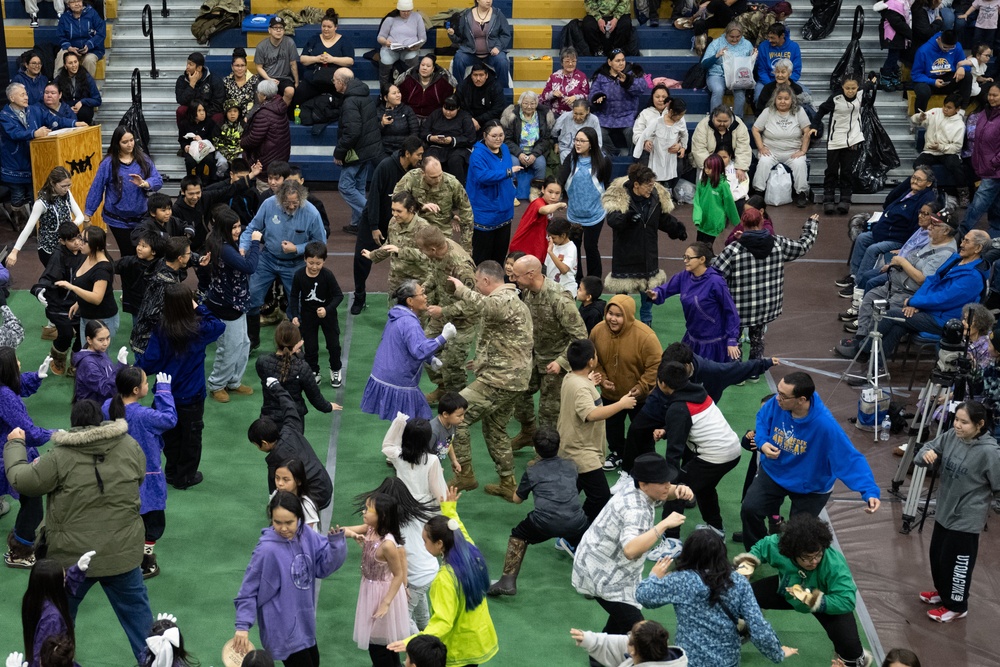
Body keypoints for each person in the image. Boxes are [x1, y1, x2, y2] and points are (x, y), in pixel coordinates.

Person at [4, 400, 153, 661]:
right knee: (145, 633)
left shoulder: (60, 456)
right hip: (122, 553)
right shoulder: (130, 446)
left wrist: (15, 444)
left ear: (73, 424)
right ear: (101, 420)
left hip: (70, 561)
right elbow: (139, 477)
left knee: (54, 628)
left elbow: (23, 480)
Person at [739, 372, 881, 550]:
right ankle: (757, 552)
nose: (777, 398)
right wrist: (763, 442)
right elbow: (762, 418)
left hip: (811, 486)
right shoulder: (777, 404)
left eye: (783, 395)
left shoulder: (825, 426)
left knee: (798, 534)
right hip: (775, 472)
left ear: (801, 399)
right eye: (778, 392)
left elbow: (850, 459)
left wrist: (869, 491)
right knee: (750, 509)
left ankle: (791, 568)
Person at [571, 453, 692, 638]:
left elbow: (667, 490)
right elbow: (630, 550)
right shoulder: (636, 510)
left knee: (620, 623)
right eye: (662, 482)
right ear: (643, 484)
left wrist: (680, 490)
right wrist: (664, 525)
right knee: (643, 632)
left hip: (607, 565)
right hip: (604, 575)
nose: (667, 485)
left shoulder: (635, 485)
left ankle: (600, 656)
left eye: (668, 480)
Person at [635, 530, 793, 667]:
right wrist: (777, 653)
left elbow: (644, 596)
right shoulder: (738, 582)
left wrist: (654, 576)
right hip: (726, 660)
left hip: (690, 659)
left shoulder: (680, 580)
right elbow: (758, 627)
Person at [737, 513, 872, 667]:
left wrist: (810, 599)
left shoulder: (834, 564)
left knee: (853, 656)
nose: (814, 562)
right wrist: (747, 565)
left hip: (827, 600)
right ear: (792, 553)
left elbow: (846, 600)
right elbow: (761, 547)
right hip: (789, 589)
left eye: (818, 555)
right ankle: (744, 630)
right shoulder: (781, 546)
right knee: (739, 597)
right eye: (807, 558)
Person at [232, 492, 348, 666]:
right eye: (277, 522)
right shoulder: (266, 551)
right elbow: (248, 590)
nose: (283, 528)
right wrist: (242, 625)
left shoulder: (306, 534)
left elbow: (323, 567)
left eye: (289, 522)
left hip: (304, 624)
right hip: (283, 630)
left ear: (299, 518)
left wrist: (336, 546)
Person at [447, 261, 533, 494]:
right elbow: (506, 340)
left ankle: (465, 475)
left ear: (485, 281)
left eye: (476, 282)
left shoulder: (503, 300)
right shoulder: (512, 300)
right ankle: (508, 483)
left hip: (501, 379)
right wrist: (483, 360)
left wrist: (461, 290)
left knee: (457, 416)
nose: (475, 285)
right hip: (508, 377)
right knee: (495, 429)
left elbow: (487, 308)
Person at [386, 489, 499, 666]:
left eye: (425, 541)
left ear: (440, 544)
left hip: (458, 648)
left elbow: (443, 622)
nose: (423, 545)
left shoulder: (445, 579)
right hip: (478, 640)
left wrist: (411, 642)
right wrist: (449, 510)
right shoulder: (470, 552)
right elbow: (458, 529)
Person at [914, 400, 1000, 622]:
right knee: (938, 557)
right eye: (956, 420)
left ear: (980, 424)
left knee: (958, 564)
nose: (958, 425)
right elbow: (926, 448)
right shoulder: (952, 436)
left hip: (966, 518)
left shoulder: (991, 453)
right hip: (945, 511)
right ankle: (944, 594)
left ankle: (957, 605)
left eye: (964, 422)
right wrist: (926, 455)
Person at [136, 284, 225, 490]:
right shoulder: (199, 328)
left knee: (169, 434)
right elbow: (219, 325)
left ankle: (171, 471)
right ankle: (185, 477)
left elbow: (150, 361)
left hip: (165, 394)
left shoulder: (161, 328)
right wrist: (199, 307)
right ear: (188, 304)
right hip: (191, 395)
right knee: (191, 437)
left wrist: (134, 368)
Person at [836, 210, 956, 356]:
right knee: (870, 297)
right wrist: (897, 264)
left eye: (935, 225)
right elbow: (914, 258)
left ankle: (864, 350)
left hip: (909, 293)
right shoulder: (933, 242)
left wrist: (902, 262)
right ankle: (861, 338)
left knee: (885, 315)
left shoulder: (944, 253)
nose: (929, 227)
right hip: (897, 284)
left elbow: (922, 279)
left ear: (946, 231)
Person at [488, 427, 588, 596]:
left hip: (544, 523)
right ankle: (589, 585)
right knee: (585, 540)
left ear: (535, 447)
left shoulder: (532, 470)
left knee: (518, 535)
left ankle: (507, 581)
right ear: (559, 444)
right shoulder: (572, 465)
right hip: (575, 521)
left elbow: (517, 499)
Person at [651, 362, 743, 538]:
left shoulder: (678, 409)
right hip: (732, 449)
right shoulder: (698, 392)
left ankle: (671, 540)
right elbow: (691, 421)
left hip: (715, 456)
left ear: (662, 383)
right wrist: (667, 430)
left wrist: (671, 480)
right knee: (704, 487)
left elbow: (674, 452)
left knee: (677, 491)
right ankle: (716, 529)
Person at [713, 211, 818, 360]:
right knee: (757, 339)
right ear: (762, 221)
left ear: (742, 224)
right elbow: (803, 246)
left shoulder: (734, 250)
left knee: (734, 338)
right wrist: (811, 226)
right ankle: (755, 370)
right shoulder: (778, 243)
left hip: (738, 308)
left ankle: (737, 372)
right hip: (766, 307)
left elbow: (714, 275)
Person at [104, 367, 176, 579]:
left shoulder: (107, 406)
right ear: (136, 390)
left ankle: (119, 555)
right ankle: (145, 561)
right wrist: (163, 392)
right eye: (146, 383)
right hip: (146, 476)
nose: (148, 385)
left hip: (116, 475)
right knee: (152, 521)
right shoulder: (144, 415)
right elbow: (169, 420)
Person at [239, 179, 327, 349]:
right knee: (252, 295)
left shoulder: (311, 213)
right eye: (287, 203)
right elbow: (252, 228)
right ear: (279, 199)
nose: (292, 206)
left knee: (299, 304)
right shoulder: (268, 205)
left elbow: (320, 244)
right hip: (268, 258)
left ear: (301, 199)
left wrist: (298, 248)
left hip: (295, 263)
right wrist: (243, 247)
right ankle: (252, 340)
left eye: (295, 203)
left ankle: (295, 343)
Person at [509, 254, 589, 441]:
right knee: (518, 391)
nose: (513, 280)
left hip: (556, 362)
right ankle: (528, 432)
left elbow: (580, 336)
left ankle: (547, 450)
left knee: (549, 411)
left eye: (517, 276)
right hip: (535, 358)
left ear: (530, 274)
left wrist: (561, 362)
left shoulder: (559, 299)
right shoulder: (528, 292)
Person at [559, 338, 638, 522]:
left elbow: (581, 390)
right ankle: (574, 535)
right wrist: (621, 404)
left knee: (571, 493)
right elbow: (592, 414)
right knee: (600, 496)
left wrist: (589, 382)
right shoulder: (581, 388)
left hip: (573, 446)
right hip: (582, 452)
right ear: (591, 362)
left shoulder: (571, 377)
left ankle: (566, 528)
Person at [603, 164, 685, 327]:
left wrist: (677, 228)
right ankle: (619, 324)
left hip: (648, 255)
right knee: (621, 299)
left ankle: (646, 325)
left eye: (653, 184)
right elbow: (612, 221)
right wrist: (626, 218)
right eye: (648, 185)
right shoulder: (619, 197)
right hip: (625, 256)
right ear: (636, 185)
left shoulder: (655, 197)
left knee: (647, 298)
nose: (651, 188)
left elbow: (663, 219)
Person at [361, 281, 455, 421]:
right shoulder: (409, 322)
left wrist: (430, 359)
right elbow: (418, 350)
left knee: (403, 425)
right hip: (399, 381)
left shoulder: (396, 315)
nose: (426, 297)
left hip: (384, 375)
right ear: (410, 301)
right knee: (417, 423)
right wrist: (443, 337)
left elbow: (409, 345)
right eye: (422, 294)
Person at [589, 295, 661, 473]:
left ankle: (645, 460)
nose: (612, 319)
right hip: (610, 395)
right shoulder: (597, 331)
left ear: (628, 316)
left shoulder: (646, 336)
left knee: (643, 433)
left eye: (618, 315)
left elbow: (656, 365)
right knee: (612, 430)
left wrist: (642, 386)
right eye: (610, 313)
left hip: (640, 398)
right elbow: (594, 359)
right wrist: (602, 379)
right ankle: (618, 453)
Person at [339, 493, 411, 666]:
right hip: (370, 590)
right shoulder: (369, 529)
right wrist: (353, 535)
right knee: (384, 645)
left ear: (382, 516)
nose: (363, 511)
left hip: (383, 594)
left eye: (367, 509)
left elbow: (398, 574)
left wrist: (385, 603)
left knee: (378, 645)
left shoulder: (387, 545)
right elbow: (341, 530)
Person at [0, 348, 54, 568]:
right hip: (9, 454)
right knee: (32, 501)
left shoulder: (4, 389)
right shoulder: (4, 396)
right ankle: (19, 552)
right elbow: (28, 432)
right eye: (16, 362)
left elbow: (16, 385)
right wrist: (53, 433)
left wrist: (36, 377)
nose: (20, 363)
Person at [1, 83, 81, 228]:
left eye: (26, 94)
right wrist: (34, 133)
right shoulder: (4, 115)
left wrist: (74, 123)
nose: (26, 97)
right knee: (18, 197)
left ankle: (37, 226)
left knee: (35, 196)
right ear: (12, 98)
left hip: (34, 162)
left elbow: (54, 121)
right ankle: (18, 220)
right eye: (22, 95)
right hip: (15, 165)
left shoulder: (34, 110)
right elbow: (14, 134)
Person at [415, 226, 479, 402]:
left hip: (462, 322)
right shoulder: (440, 250)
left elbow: (473, 303)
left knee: (452, 365)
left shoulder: (460, 266)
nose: (421, 253)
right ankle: (443, 388)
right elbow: (435, 275)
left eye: (422, 249)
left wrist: (443, 310)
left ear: (433, 249)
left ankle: (457, 402)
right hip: (442, 314)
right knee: (424, 348)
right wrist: (425, 287)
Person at [649, 241, 741, 362]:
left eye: (689, 258)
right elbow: (666, 289)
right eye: (684, 257)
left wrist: (732, 340)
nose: (685, 261)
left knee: (710, 378)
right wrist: (656, 293)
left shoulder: (716, 282)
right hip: (692, 339)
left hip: (713, 344)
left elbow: (731, 311)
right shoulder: (684, 276)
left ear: (702, 259)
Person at [249, 380, 334, 511]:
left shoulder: (277, 461)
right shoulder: (290, 427)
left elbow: (275, 489)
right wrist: (276, 386)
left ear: (264, 443)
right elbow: (289, 405)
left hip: (315, 499)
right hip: (325, 484)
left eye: (256, 445)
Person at [204, 207, 260, 403]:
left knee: (243, 344)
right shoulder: (225, 248)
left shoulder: (223, 241)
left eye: (238, 226)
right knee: (229, 347)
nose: (238, 230)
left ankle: (233, 381)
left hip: (237, 302)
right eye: (234, 227)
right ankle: (217, 384)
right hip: (227, 306)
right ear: (224, 228)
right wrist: (255, 242)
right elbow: (249, 267)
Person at [85, 125, 163, 256]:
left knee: (143, 253)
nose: (129, 144)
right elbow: (97, 188)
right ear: (117, 143)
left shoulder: (143, 159)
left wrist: (145, 183)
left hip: (141, 217)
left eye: (131, 140)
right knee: (127, 254)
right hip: (117, 219)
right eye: (124, 142)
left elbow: (158, 180)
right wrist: (88, 213)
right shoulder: (108, 163)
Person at [810, 74, 871, 216]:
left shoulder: (861, 93)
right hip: (835, 138)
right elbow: (821, 111)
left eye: (853, 88)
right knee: (831, 170)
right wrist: (814, 125)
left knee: (847, 170)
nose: (850, 91)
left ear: (858, 87)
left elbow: (869, 85)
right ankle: (828, 198)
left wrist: (872, 80)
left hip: (853, 138)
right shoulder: (835, 99)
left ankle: (845, 199)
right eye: (847, 88)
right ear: (842, 87)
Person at [256, 321, 338, 427]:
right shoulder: (302, 368)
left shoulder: (262, 362)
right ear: (296, 345)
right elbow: (315, 397)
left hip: (268, 420)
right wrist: (328, 406)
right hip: (293, 421)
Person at [558, 126, 613, 278]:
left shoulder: (603, 161)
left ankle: (594, 280)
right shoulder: (571, 159)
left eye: (582, 141)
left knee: (590, 246)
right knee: (574, 248)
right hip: (574, 214)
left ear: (591, 143)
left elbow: (606, 182)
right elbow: (561, 178)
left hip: (595, 213)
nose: (578, 143)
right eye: (576, 140)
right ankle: (577, 280)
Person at [20, 554, 93, 667]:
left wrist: (77, 570)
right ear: (55, 585)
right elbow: (44, 656)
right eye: (64, 578)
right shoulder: (52, 619)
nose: (66, 580)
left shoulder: (33, 598)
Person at [129, 236, 197, 357]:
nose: (191, 255)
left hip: (150, 337)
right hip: (148, 341)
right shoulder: (165, 283)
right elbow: (153, 314)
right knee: (144, 373)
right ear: (180, 258)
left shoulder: (164, 262)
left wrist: (200, 259)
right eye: (188, 253)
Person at [393, 155, 475, 256]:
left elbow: (466, 213)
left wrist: (466, 249)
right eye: (433, 177)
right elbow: (397, 200)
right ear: (423, 173)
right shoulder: (412, 178)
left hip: (441, 231)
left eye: (440, 175)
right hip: (416, 229)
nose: (438, 179)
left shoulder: (452, 183)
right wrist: (420, 207)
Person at [334, 68, 383, 234]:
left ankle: (373, 215)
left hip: (357, 151)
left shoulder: (350, 101)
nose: (333, 83)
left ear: (341, 82)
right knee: (359, 187)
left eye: (334, 80)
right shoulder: (364, 94)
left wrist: (339, 152)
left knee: (345, 186)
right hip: (368, 149)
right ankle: (357, 224)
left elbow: (352, 132)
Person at [31, 225, 85, 376]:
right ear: (62, 241)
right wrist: (39, 290)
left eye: (78, 238)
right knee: (66, 334)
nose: (76, 242)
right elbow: (47, 278)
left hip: (80, 303)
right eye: (71, 240)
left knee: (83, 334)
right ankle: (58, 358)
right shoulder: (58, 256)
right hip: (59, 304)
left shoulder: (85, 252)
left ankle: (76, 361)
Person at [289, 241, 344, 388]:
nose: (314, 267)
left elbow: (339, 295)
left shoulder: (327, 275)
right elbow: (294, 296)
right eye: (311, 263)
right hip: (308, 316)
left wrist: (327, 309)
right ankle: (313, 371)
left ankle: (336, 369)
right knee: (311, 347)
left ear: (324, 261)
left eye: (318, 263)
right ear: (305, 259)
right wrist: (294, 314)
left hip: (328, 315)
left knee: (333, 345)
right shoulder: (299, 275)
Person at [9, 167, 83, 269]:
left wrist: (72, 226)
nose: (66, 189)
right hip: (49, 249)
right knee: (56, 279)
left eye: (69, 185)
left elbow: (80, 216)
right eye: (63, 186)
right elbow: (29, 227)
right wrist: (14, 251)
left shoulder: (67, 194)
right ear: (52, 183)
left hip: (66, 246)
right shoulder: (41, 203)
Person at [466, 120, 518, 265]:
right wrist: (507, 172)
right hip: (485, 213)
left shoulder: (505, 149)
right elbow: (483, 177)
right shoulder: (477, 155)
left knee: (500, 256)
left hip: (505, 212)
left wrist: (512, 189)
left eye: (501, 135)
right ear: (485, 135)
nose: (498, 139)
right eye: (494, 136)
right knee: (482, 258)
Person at [363, 190, 432, 295]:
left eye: (399, 211)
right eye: (393, 210)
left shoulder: (424, 228)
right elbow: (389, 244)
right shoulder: (393, 222)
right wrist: (373, 255)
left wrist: (400, 251)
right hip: (396, 281)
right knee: (395, 311)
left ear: (411, 209)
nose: (395, 214)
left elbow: (429, 255)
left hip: (418, 282)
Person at [752, 85, 812, 207]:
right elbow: (755, 129)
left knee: (800, 164)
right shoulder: (767, 111)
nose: (782, 101)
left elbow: (807, 131)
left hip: (793, 151)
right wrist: (761, 148)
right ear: (775, 99)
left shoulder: (799, 111)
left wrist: (803, 150)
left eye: (786, 98)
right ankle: (758, 193)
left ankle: (801, 194)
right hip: (771, 151)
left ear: (792, 100)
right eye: (779, 98)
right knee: (763, 162)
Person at [60, 225, 119, 341]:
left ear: (95, 245)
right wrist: (79, 302)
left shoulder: (102, 268)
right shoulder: (86, 256)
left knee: (98, 356)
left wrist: (72, 287)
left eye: (83, 241)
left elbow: (97, 298)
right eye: (79, 238)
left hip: (102, 320)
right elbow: (87, 285)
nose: (79, 243)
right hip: (87, 316)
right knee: (86, 354)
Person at [959, 83, 1000, 235]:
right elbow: (977, 139)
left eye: (995, 95)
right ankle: (996, 234)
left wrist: (994, 163)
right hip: (985, 167)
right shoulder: (984, 113)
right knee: (995, 203)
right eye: (990, 94)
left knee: (979, 202)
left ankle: (962, 232)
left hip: (995, 169)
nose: (991, 98)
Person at [590, 50, 648, 155]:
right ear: (609, 62)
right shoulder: (601, 75)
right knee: (599, 132)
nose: (621, 63)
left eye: (623, 60)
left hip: (627, 116)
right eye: (617, 61)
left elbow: (641, 88)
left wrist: (627, 82)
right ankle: (613, 153)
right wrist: (598, 97)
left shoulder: (633, 72)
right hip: (605, 116)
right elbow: (593, 92)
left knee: (631, 132)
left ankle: (634, 156)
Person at [294, 9, 354, 108]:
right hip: (314, 79)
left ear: (335, 27)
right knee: (300, 92)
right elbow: (303, 59)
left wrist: (332, 59)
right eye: (323, 26)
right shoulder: (314, 39)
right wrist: (317, 59)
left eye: (329, 27)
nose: (326, 29)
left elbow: (350, 61)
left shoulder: (344, 41)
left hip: (335, 81)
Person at [501, 92, 555, 200]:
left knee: (541, 163)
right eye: (525, 103)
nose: (529, 106)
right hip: (516, 151)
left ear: (537, 104)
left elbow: (545, 140)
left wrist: (534, 155)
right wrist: (519, 153)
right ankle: (511, 193)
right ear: (520, 103)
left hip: (535, 151)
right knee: (513, 163)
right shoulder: (512, 115)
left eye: (532, 103)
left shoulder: (543, 116)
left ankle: (535, 192)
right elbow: (507, 139)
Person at [570, 620, 688, 667]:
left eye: (630, 636)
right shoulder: (666, 655)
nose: (627, 637)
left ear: (633, 651)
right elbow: (619, 644)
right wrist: (591, 640)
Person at [241, 80, 292, 189]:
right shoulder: (280, 106)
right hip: (280, 154)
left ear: (263, 96)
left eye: (258, 93)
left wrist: (242, 142)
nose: (257, 95)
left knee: (265, 191)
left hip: (267, 159)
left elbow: (254, 138)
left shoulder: (264, 113)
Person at [447, 0, 512, 84]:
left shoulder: (498, 14)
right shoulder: (467, 15)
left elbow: (505, 35)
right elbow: (460, 38)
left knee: (502, 62)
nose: (488, 1)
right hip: (470, 53)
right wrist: (452, 35)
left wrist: (498, 47)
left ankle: (503, 92)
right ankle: (458, 90)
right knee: (458, 59)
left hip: (491, 54)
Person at [701, 23, 755, 119]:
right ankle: (715, 118)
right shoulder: (716, 43)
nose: (734, 39)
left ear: (742, 35)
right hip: (717, 74)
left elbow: (750, 65)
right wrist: (716, 56)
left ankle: (737, 120)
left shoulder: (747, 44)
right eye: (731, 37)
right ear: (726, 34)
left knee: (740, 95)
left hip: (737, 75)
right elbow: (704, 64)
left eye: (738, 37)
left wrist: (754, 56)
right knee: (718, 90)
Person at [911, 30, 973, 114]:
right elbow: (916, 75)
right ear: (939, 39)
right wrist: (932, 81)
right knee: (923, 91)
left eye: (951, 48)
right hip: (929, 81)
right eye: (945, 47)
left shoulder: (957, 46)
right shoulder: (923, 50)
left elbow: (965, 64)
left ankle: (961, 112)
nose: (947, 50)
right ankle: (919, 118)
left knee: (967, 76)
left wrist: (962, 67)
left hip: (947, 80)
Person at [509, 177, 567, 264]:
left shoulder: (548, 205)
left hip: (535, 250)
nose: (553, 196)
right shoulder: (537, 203)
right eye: (550, 192)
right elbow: (544, 210)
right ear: (543, 189)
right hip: (522, 251)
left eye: (557, 193)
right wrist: (560, 204)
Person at [423, 95, 477, 185]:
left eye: (452, 110)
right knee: (430, 159)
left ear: (458, 108)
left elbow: (470, 138)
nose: (448, 112)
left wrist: (452, 140)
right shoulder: (436, 114)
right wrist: (431, 137)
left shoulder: (465, 117)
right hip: (436, 146)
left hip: (458, 148)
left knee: (455, 160)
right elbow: (424, 130)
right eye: (445, 108)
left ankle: (458, 187)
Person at [633, 98, 688, 186]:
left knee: (670, 173)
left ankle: (669, 188)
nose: (680, 118)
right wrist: (642, 146)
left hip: (671, 154)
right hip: (658, 152)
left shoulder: (680, 121)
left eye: (682, 115)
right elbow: (645, 134)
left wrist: (683, 147)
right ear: (671, 111)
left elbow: (685, 134)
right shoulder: (657, 121)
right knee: (656, 173)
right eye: (679, 115)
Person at [71, 320, 126, 404]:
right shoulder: (88, 364)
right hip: (93, 412)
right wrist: (120, 367)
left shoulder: (99, 352)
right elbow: (106, 390)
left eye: (108, 338)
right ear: (89, 340)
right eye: (101, 340)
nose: (105, 343)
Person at [377, 0, 427, 91]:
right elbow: (380, 37)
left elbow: (423, 38)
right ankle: (384, 89)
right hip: (391, 49)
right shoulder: (390, 19)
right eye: (404, 11)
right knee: (385, 61)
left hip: (410, 49)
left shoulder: (417, 17)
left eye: (408, 11)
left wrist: (417, 46)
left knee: (412, 60)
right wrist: (385, 42)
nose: (406, 13)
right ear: (399, 10)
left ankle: (413, 87)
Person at [690, 106, 752, 178]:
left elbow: (743, 147)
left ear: (730, 118)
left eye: (725, 121)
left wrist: (741, 167)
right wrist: (710, 166)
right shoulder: (703, 125)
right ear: (713, 117)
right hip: (709, 162)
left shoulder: (739, 125)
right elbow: (699, 149)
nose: (722, 124)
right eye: (719, 121)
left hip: (732, 160)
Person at [254, 16, 299, 106]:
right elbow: (259, 67)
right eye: (275, 28)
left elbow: (293, 65)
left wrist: (297, 82)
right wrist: (269, 79)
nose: (278, 30)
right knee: (261, 94)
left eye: (281, 28)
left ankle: (279, 113)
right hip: (267, 77)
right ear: (269, 30)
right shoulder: (261, 46)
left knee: (290, 91)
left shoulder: (290, 43)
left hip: (284, 77)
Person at [56, 0, 106, 78]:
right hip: (71, 49)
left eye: (78, 1)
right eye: (73, 2)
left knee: (89, 60)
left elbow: (101, 33)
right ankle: (57, 83)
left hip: (92, 50)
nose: (76, 4)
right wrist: (69, 47)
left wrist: (89, 45)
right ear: (68, 5)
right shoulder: (64, 17)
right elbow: (61, 36)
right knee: (61, 54)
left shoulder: (92, 13)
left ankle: (86, 86)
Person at [397, 56, 458, 120]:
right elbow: (402, 101)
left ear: (433, 69)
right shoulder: (409, 80)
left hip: (434, 117)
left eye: (428, 66)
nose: (424, 68)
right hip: (411, 116)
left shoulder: (442, 82)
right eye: (422, 65)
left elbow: (445, 102)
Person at [174, 52, 225, 126]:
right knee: (181, 110)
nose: (187, 67)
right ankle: (184, 136)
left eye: (190, 64)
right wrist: (191, 85)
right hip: (192, 113)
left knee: (218, 116)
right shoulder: (182, 80)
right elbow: (181, 100)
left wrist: (202, 113)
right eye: (187, 64)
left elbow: (218, 104)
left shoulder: (214, 80)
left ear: (199, 68)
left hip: (208, 112)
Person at [755, 23, 803, 101]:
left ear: (782, 36)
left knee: (805, 94)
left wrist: (786, 83)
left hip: (788, 81)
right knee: (758, 96)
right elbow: (762, 70)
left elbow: (796, 71)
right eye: (769, 38)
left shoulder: (794, 47)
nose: (770, 40)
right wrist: (771, 85)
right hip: (767, 82)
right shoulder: (763, 46)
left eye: (773, 38)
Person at [457, 61, 506, 134]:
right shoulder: (463, 86)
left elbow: (497, 109)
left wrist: (477, 120)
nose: (478, 78)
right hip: (468, 118)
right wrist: (470, 119)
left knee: (495, 128)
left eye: (481, 75)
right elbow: (459, 105)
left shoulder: (495, 87)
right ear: (471, 75)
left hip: (488, 119)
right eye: (475, 75)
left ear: (486, 75)